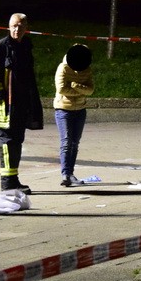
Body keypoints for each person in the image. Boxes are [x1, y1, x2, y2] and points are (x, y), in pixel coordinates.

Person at [0, 13, 43, 193]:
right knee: (7, 143)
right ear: (8, 27)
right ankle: (7, 183)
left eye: (20, 26)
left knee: (16, 143)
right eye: (14, 26)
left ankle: (13, 179)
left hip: (20, 105)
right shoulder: (1, 47)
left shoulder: (25, 46)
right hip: (5, 106)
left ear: (26, 27)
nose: (17, 30)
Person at [53, 43, 95, 187]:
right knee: (66, 142)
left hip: (80, 110)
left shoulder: (87, 69)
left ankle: (70, 174)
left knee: (74, 143)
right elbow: (62, 89)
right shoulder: (63, 68)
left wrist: (75, 85)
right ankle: (65, 174)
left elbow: (90, 90)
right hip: (63, 109)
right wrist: (81, 91)